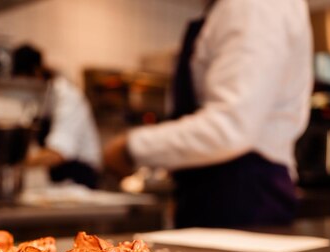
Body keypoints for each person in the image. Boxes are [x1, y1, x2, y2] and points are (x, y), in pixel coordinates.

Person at [103, 0, 313, 228]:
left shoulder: (255, 5)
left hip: (240, 193)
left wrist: (132, 148)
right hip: (221, 188)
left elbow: (231, 126)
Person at [12, 44, 102, 189]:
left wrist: (11, 165)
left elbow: (57, 153)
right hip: (57, 182)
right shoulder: (36, 100)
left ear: (36, 72)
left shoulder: (69, 97)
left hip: (80, 178)